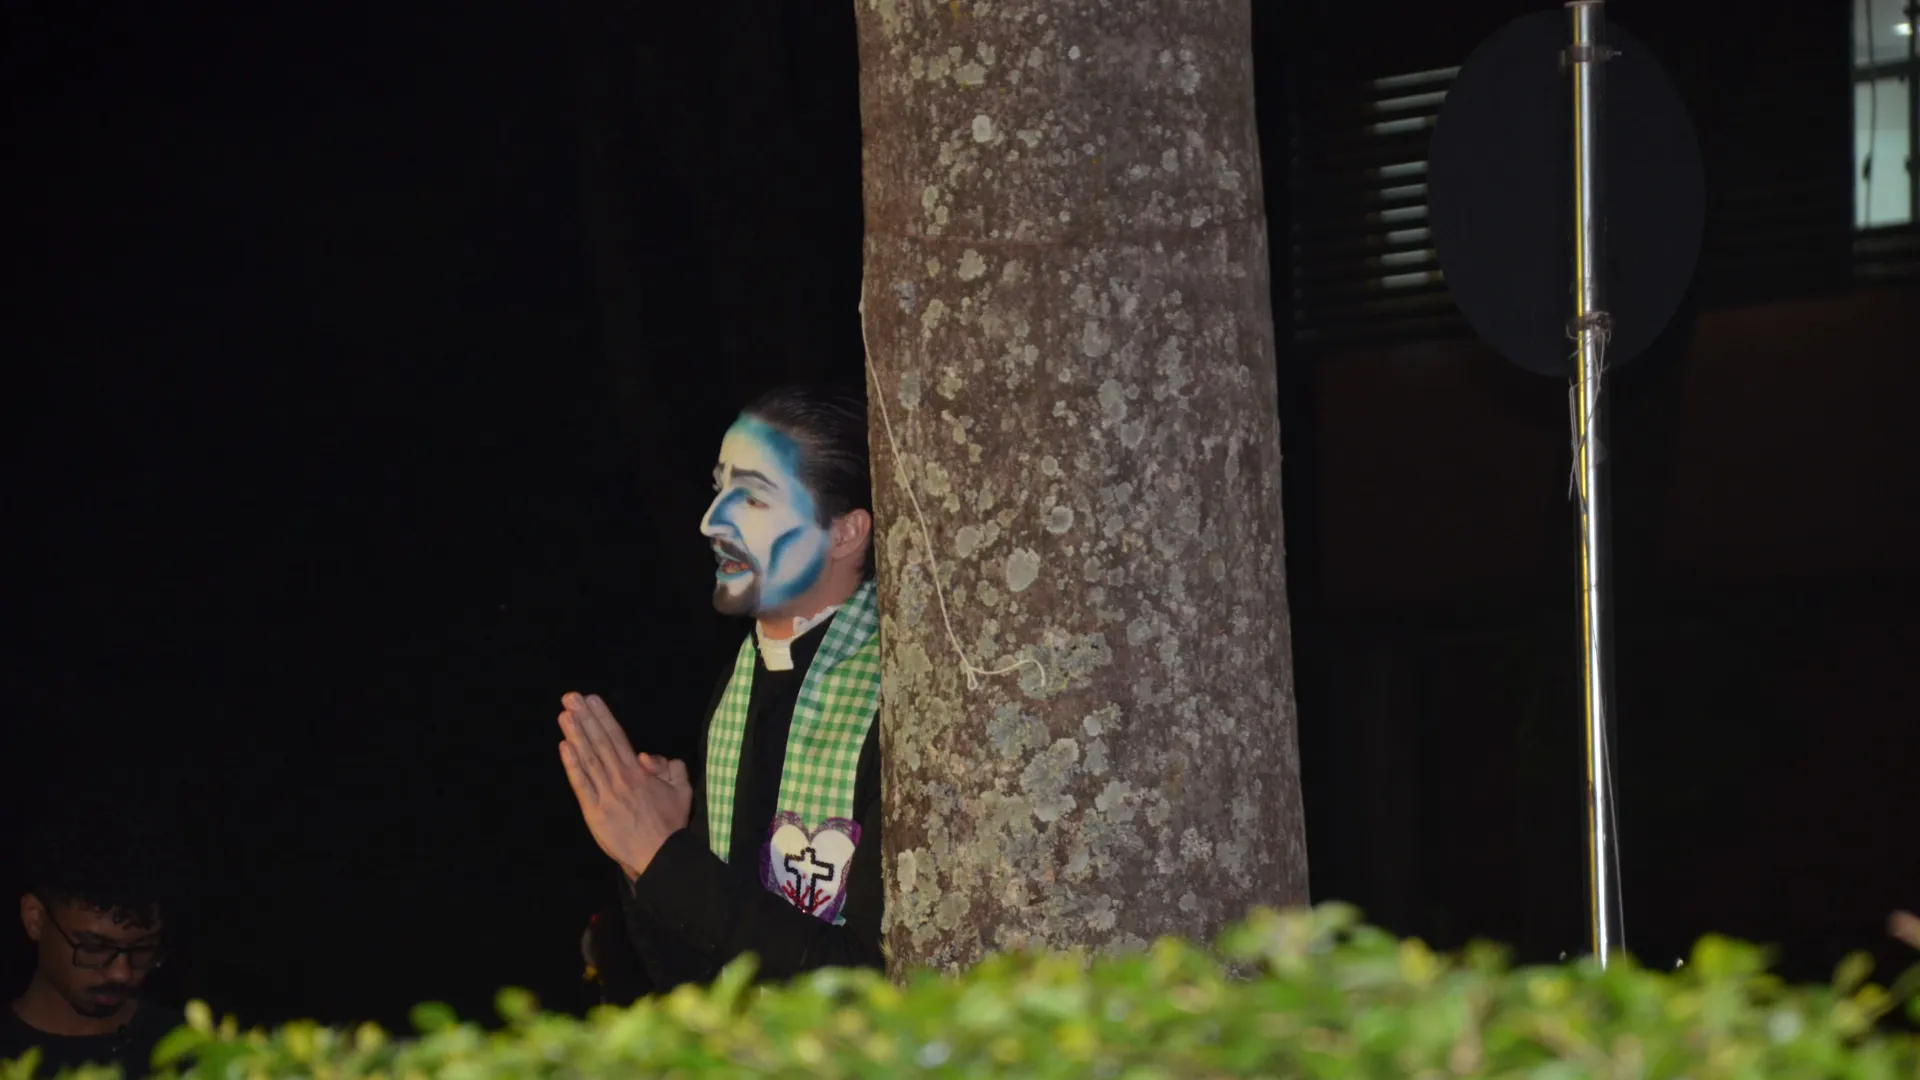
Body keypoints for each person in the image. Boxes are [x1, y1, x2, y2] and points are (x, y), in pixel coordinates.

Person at [556, 384, 883, 993]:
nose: (710, 521)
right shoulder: (742, 680)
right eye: (718, 489)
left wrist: (665, 859)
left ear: (844, 533)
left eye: (752, 497)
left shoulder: (893, 697)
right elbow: (698, 980)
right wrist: (644, 857)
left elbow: (869, 980)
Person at [1, 813, 184, 1076]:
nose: (122, 974)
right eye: (95, 948)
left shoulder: (187, 1051)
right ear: (35, 918)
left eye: (142, 949)